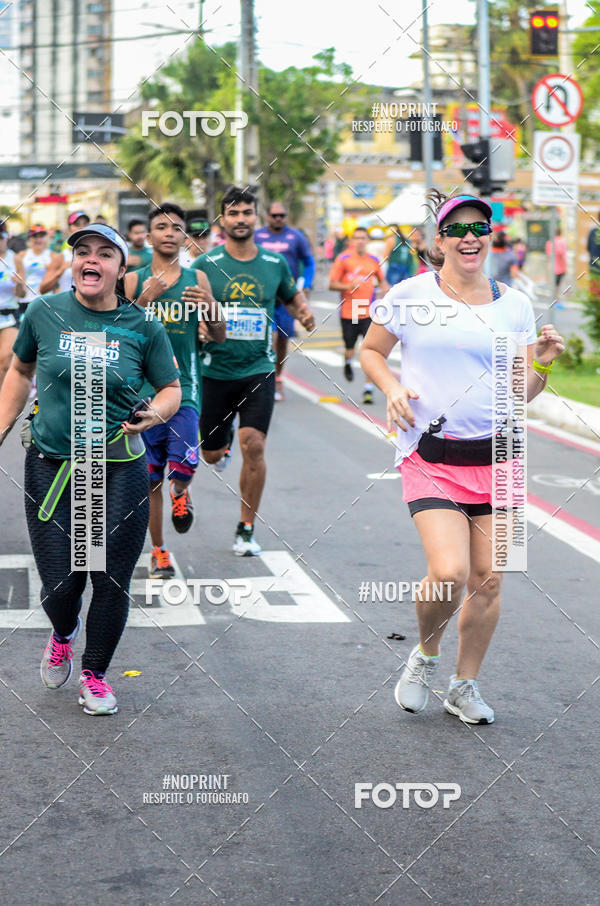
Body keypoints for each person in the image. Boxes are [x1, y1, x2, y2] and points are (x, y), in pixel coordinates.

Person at [361, 191, 564, 724]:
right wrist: (390, 388)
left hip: (500, 455)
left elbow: (520, 391)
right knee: (449, 572)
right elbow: (370, 350)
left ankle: (464, 686)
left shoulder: (515, 304)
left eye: (480, 227)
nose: (469, 237)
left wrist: (542, 365)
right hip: (431, 454)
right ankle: (425, 655)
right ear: (440, 240)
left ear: (490, 236)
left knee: (491, 579)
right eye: (457, 229)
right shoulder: (408, 294)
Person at [0, 223, 181, 715]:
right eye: (83, 251)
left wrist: (155, 414)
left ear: (122, 268)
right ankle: (63, 632)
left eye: (105, 253)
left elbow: (171, 389)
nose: (91, 260)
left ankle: (95, 674)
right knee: (61, 583)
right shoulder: (44, 312)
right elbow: (19, 371)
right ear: (74, 262)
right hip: (53, 465)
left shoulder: (143, 326)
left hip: (119, 467)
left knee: (110, 578)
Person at [192, 185, 315, 556]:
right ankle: (220, 444)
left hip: (257, 369)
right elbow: (185, 312)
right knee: (211, 454)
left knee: (255, 445)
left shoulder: (274, 265)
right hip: (214, 371)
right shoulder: (204, 266)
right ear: (223, 219)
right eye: (233, 213)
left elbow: (291, 297)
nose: (241, 219)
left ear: (255, 217)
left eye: (247, 212)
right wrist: (197, 324)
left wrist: (304, 313)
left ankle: (246, 527)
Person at [124, 203, 225, 579]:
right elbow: (117, 335)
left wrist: (212, 307)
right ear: (148, 237)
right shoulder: (133, 281)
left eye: (177, 227)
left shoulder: (198, 278)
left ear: (185, 237)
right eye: (161, 227)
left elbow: (218, 335)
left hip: (184, 390)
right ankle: (158, 551)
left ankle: (181, 492)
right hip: (141, 393)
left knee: (185, 463)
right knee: (149, 478)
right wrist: (143, 301)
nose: (169, 232)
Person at [254, 202, 315, 402]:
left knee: (282, 340)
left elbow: (309, 262)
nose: (278, 218)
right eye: (274, 215)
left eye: (282, 215)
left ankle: (278, 375)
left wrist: (306, 284)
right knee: (269, 338)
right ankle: (267, 379)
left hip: (287, 298)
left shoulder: (295, 236)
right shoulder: (258, 236)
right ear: (267, 216)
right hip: (265, 298)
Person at [329, 226, 389, 404]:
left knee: (369, 350)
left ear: (367, 241)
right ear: (352, 241)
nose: (360, 241)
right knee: (350, 348)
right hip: (349, 311)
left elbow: (383, 282)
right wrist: (348, 285)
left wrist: (387, 291)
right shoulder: (344, 259)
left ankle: (368, 389)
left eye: (363, 238)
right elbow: (332, 284)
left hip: (368, 312)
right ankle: (348, 362)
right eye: (357, 238)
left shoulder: (373, 260)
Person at [39, 211, 90, 295]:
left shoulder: (97, 255)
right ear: (69, 229)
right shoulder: (62, 257)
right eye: (77, 224)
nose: (82, 227)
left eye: (85, 224)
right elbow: (43, 289)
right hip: (68, 306)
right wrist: (61, 270)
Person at [0, 223, 25, 386]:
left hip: (8, 315)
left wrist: (20, 284)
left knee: (5, 359)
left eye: (1, 238)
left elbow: (21, 294)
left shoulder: (14, 259)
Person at [16, 225, 53, 312]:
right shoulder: (22, 255)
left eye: (41, 236)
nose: (38, 239)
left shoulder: (53, 256)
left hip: (45, 301)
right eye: (35, 236)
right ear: (29, 239)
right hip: (24, 301)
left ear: (46, 238)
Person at [545, 226, 567, 292]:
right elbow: (561, 254)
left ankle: (553, 296)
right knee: (557, 284)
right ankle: (555, 297)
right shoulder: (561, 242)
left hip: (551, 266)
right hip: (559, 267)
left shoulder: (549, 242)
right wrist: (564, 266)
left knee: (553, 283)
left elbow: (548, 255)